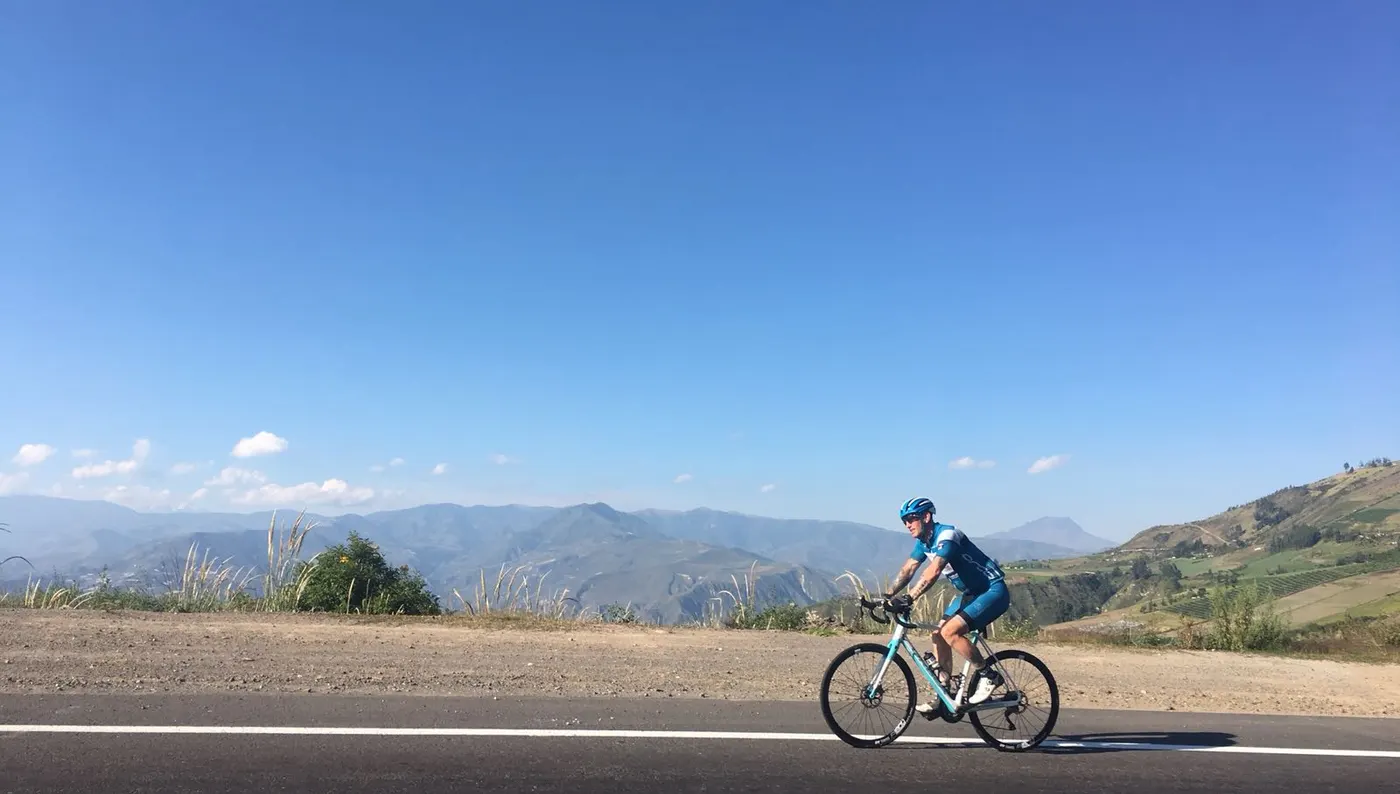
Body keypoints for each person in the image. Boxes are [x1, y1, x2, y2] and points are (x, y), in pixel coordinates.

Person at [881, 496, 1009, 712]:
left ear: (927, 516)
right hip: (972, 594)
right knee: (938, 634)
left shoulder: (947, 535)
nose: (907, 525)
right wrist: (886, 595)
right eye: (904, 521)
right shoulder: (924, 542)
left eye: (911, 519)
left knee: (950, 632)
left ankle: (989, 676)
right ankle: (944, 694)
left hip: (992, 590)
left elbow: (934, 571)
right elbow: (909, 569)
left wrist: (910, 597)